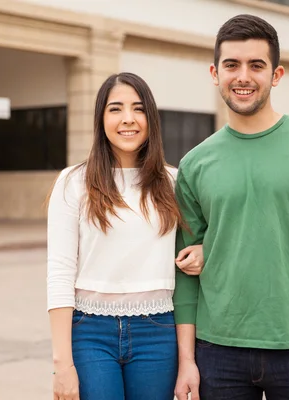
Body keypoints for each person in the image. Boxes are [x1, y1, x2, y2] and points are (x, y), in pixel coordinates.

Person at [173, 14, 289, 400]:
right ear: (215, 73)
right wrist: (186, 361)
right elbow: (184, 270)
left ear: (276, 75)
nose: (243, 76)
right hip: (217, 352)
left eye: (256, 65)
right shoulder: (195, 163)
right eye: (232, 65)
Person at [46, 72, 203, 400]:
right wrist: (62, 364)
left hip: (158, 331)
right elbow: (59, 273)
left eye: (139, 109)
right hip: (90, 332)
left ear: (151, 119)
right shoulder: (73, 182)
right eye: (115, 109)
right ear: (101, 118)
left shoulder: (175, 182)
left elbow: (204, 242)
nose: (128, 119)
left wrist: (205, 252)